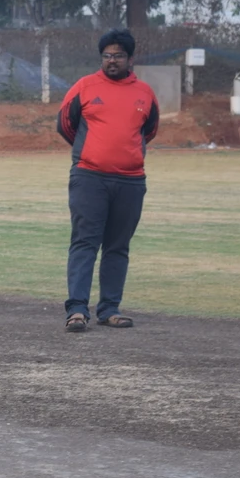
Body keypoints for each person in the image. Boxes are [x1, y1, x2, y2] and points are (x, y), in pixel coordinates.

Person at [56, 29, 159, 332]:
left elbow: (149, 130)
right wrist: (93, 151)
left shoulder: (145, 93)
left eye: (118, 56)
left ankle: (109, 308)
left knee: (117, 246)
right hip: (89, 178)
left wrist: (124, 153)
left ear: (130, 58)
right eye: (107, 55)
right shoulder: (85, 87)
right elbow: (65, 125)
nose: (112, 61)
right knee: (85, 242)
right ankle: (76, 310)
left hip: (130, 181)